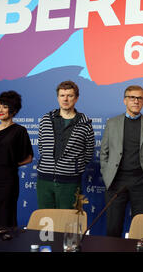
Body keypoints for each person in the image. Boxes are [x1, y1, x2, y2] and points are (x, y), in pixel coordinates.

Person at [100, 85, 143, 237]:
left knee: (140, 230)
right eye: (132, 97)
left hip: (141, 182)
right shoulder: (112, 123)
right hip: (116, 181)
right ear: (125, 100)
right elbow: (104, 152)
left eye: (140, 98)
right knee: (113, 228)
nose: (136, 101)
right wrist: (107, 176)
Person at [37, 81, 94, 209]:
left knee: (67, 222)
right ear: (58, 98)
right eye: (62, 95)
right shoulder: (46, 119)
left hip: (70, 182)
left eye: (70, 95)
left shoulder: (85, 124)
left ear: (76, 98)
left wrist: (73, 167)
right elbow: (41, 147)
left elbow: (88, 152)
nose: (65, 99)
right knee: (45, 220)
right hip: (44, 180)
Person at [0, 91, 33, 227]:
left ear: (13, 110)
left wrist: (9, 164)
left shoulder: (19, 131)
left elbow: (28, 158)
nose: (0, 110)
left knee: (5, 217)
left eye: (5, 106)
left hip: (8, 181)